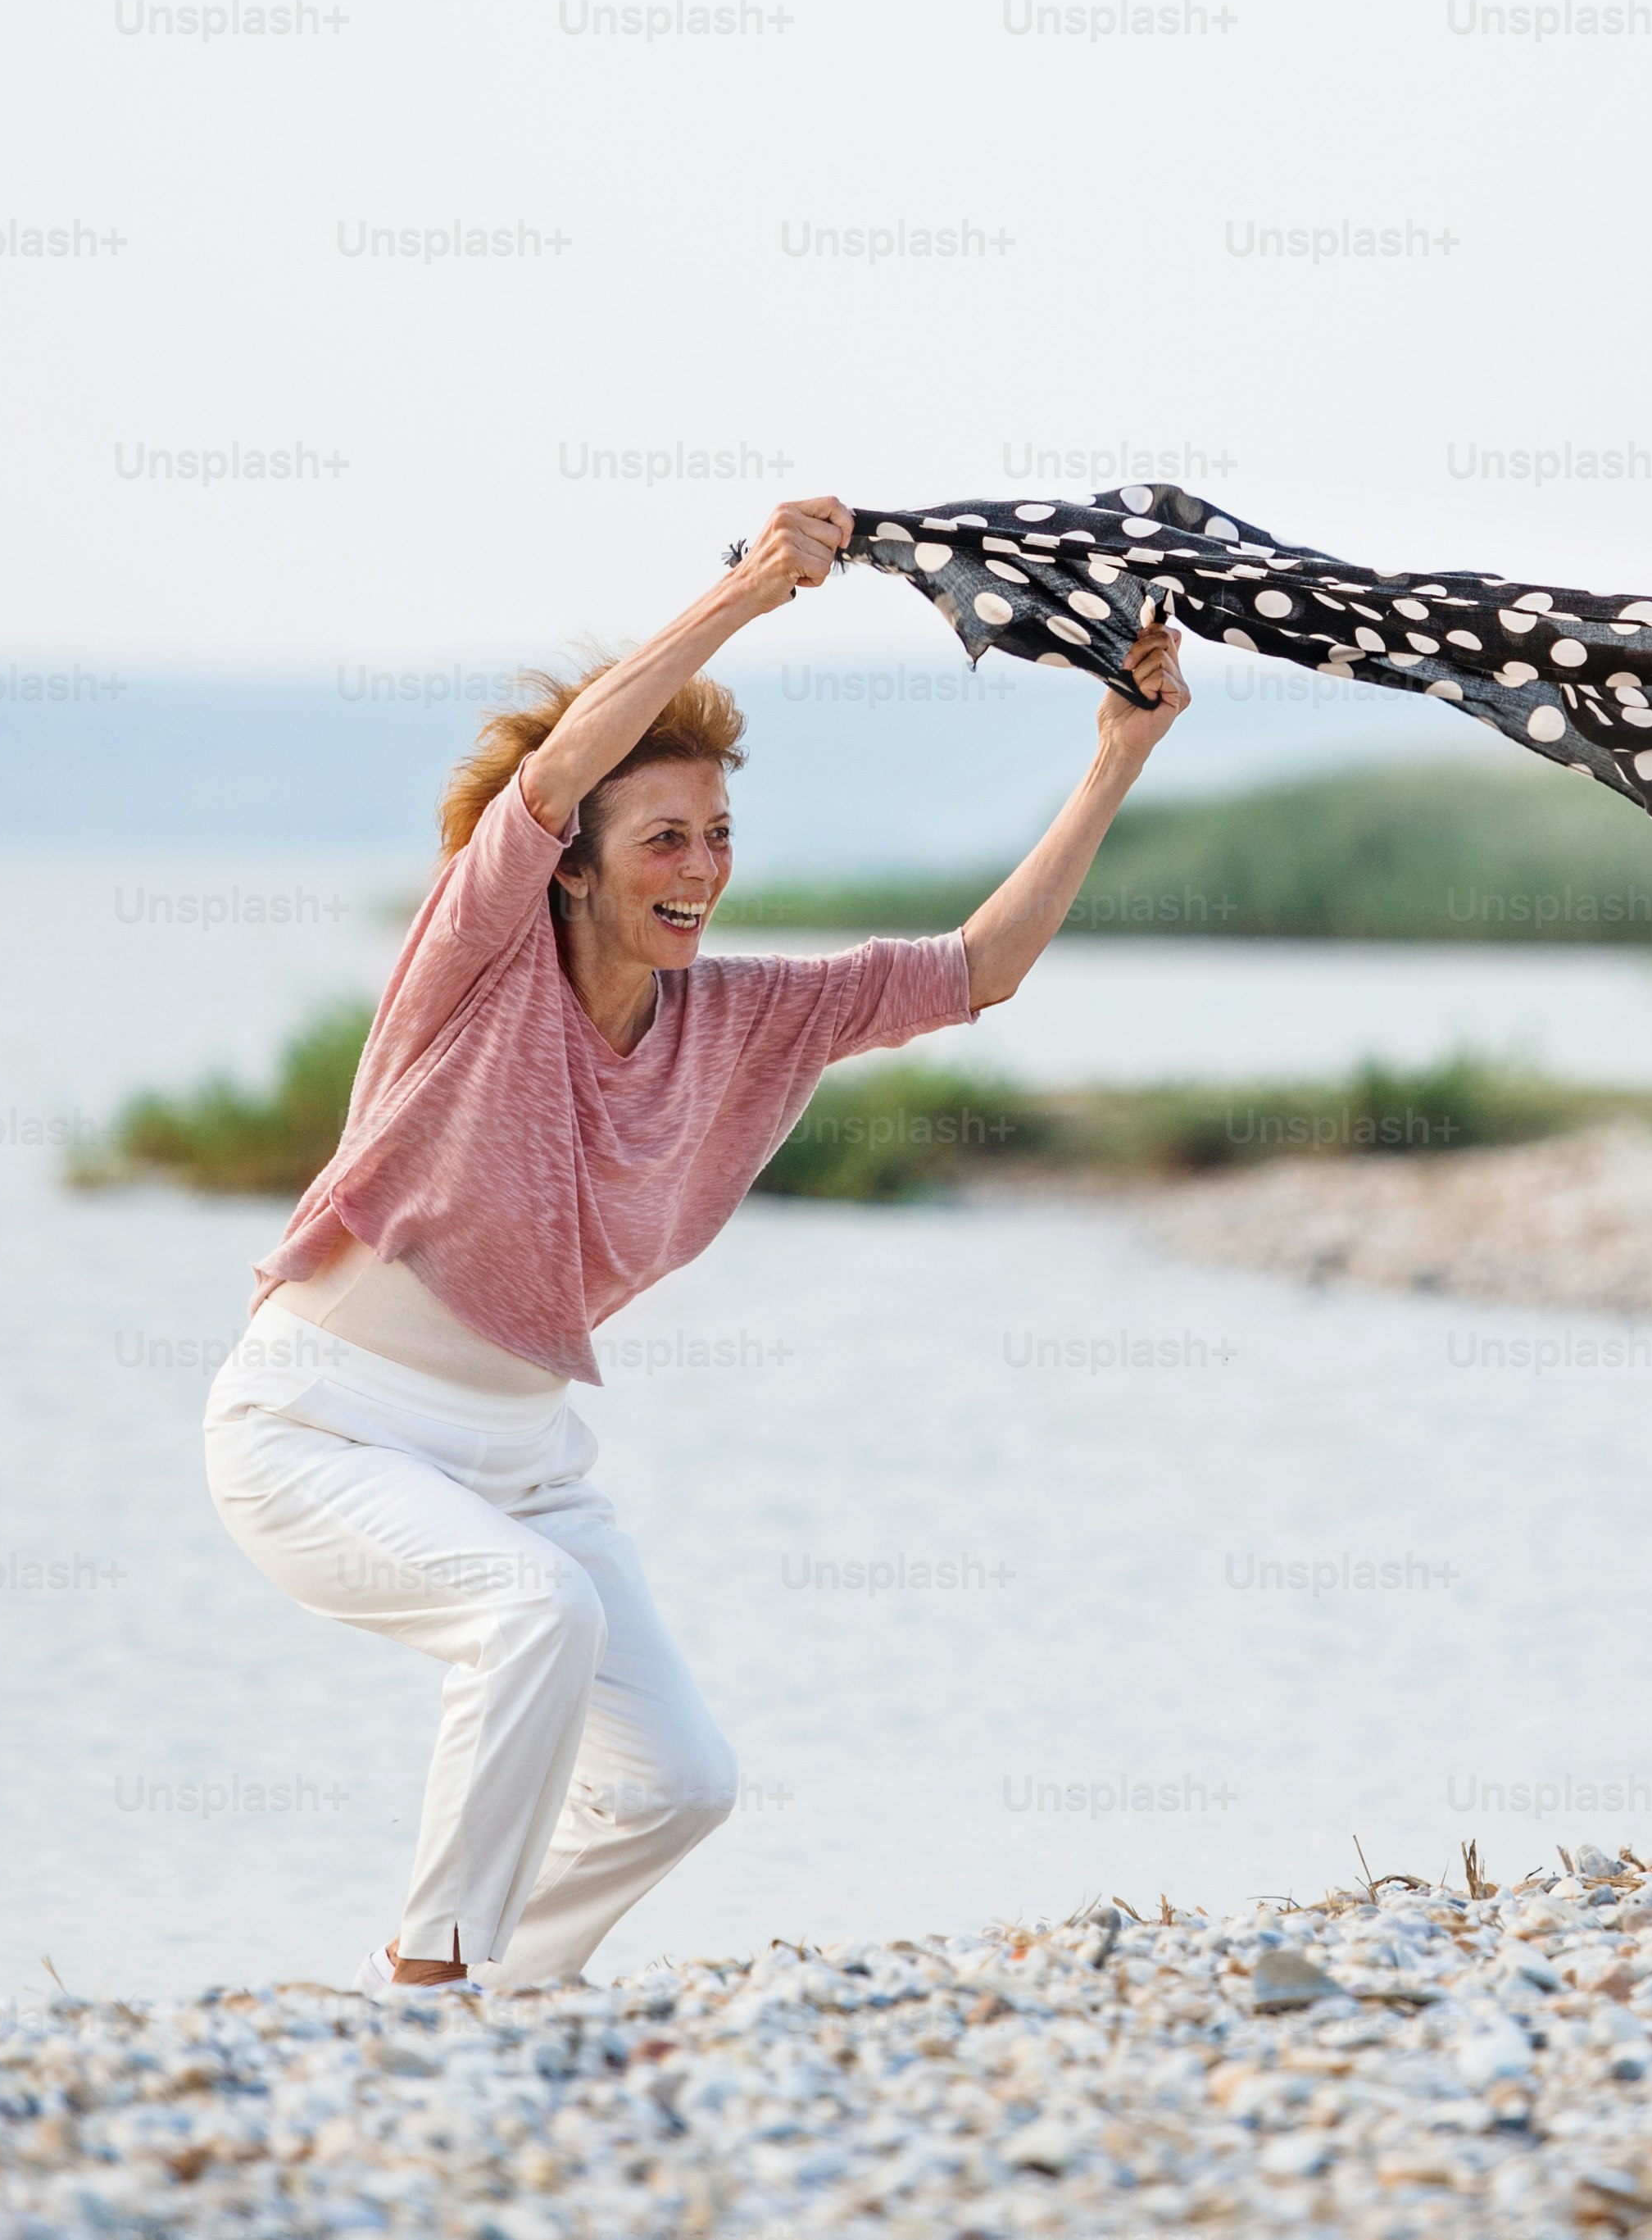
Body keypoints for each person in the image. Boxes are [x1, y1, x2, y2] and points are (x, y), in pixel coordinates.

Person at [201, 496, 1187, 1988]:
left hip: (522, 1456)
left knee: (679, 1784)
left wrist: (1117, 757)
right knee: (532, 1610)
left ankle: (514, 1991)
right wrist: (744, 596)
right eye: (663, 837)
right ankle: (428, 1983)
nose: (701, 866)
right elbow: (551, 775)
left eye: (719, 835)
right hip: (320, 1428)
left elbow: (977, 969)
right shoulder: (478, 961)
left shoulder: (742, 1020)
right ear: (573, 864)